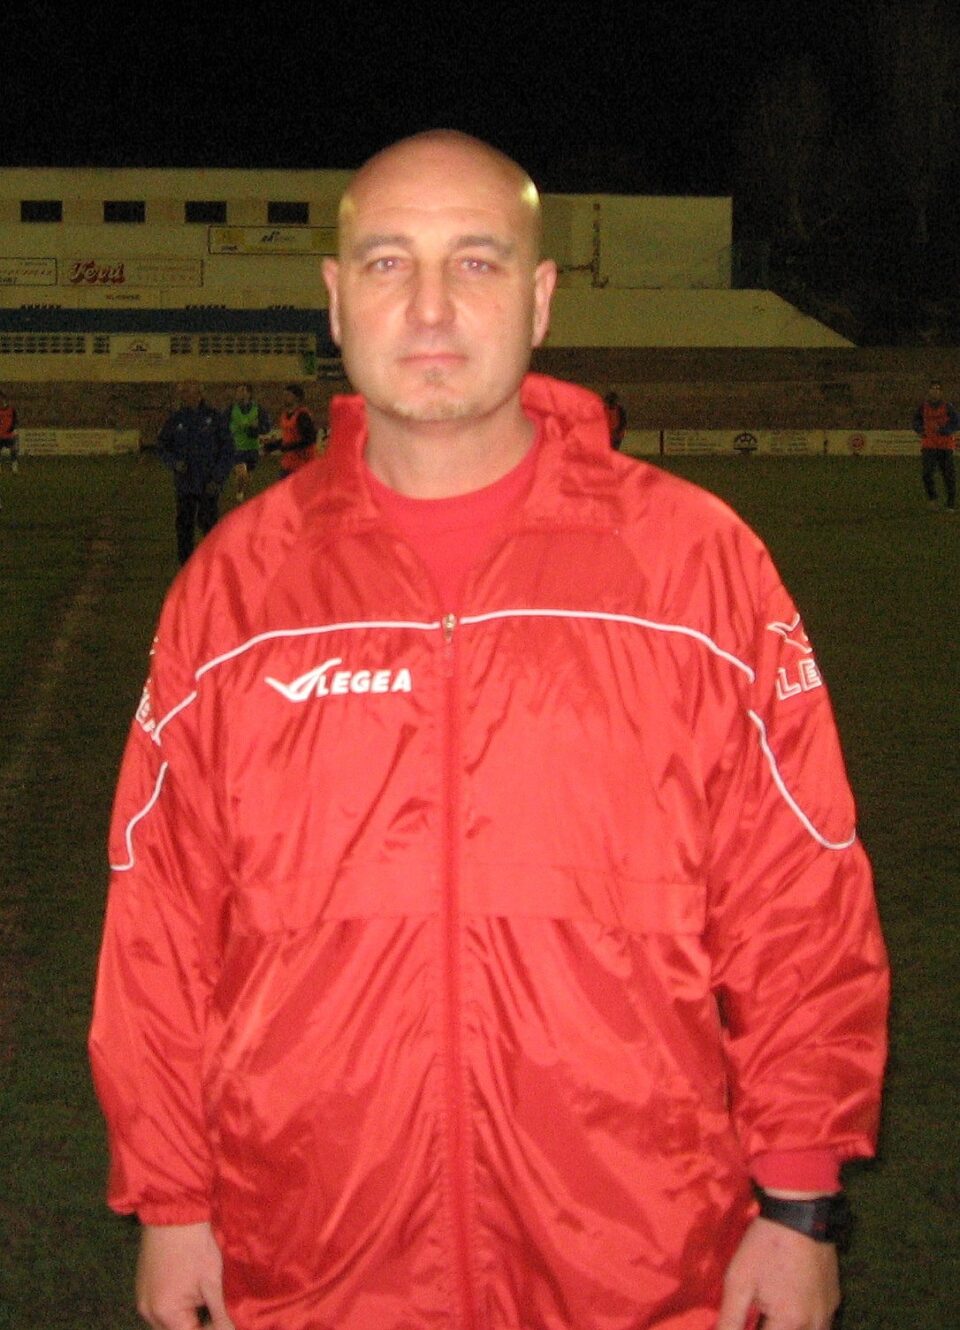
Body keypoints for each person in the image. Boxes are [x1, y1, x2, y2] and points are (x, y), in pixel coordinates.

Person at [89, 131, 888, 1330]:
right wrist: (170, 1200)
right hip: (310, 1254)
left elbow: (801, 904)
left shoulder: (697, 567)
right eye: (385, 262)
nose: (427, 306)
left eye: (475, 262)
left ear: (541, 295)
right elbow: (157, 924)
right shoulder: (236, 589)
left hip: (636, 1256)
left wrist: (800, 1201)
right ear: (333, 297)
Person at [156, 381, 235, 565]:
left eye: (188, 393)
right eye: (183, 393)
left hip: (208, 483)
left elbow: (228, 450)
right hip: (185, 484)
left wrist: (218, 477)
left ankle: (211, 563)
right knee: (184, 527)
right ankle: (186, 565)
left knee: (209, 525)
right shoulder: (176, 419)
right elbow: (161, 445)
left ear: (199, 394)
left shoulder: (214, 418)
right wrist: (174, 463)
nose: (185, 396)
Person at [912, 378, 957, 511]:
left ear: (941, 392)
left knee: (948, 475)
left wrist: (945, 430)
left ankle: (950, 503)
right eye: (933, 389)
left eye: (938, 389)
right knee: (927, 474)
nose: (935, 391)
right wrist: (920, 430)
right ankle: (932, 499)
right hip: (929, 445)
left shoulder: (948, 406)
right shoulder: (923, 406)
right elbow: (916, 420)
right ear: (929, 391)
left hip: (945, 445)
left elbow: (956, 422)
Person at [226, 382, 270, 503]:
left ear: (249, 393)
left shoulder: (258, 409)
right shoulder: (231, 409)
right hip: (236, 448)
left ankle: (244, 496)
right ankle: (239, 494)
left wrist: (256, 428)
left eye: (243, 390)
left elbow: (267, 427)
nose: (240, 393)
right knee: (242, 473)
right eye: (238, 390)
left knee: (248, 477)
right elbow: (222, 426)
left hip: (252, 448)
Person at [261, 382, 318, 475]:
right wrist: (273, 446)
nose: (284, 397)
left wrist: (288, 447)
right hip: (289, 463)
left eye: (288, 395)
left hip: (303, 464)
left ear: (297, 398)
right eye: (284, 395)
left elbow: (310, 439)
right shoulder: (284, 415)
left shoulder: (302, 415)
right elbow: (289, 438)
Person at [0, 387, 20, 472]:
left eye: (2, 399)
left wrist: (14, 429)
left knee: (13, 450)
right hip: (0, 435)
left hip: (9, 435)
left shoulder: (11, 410)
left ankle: (14, 466)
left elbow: (15, 421)